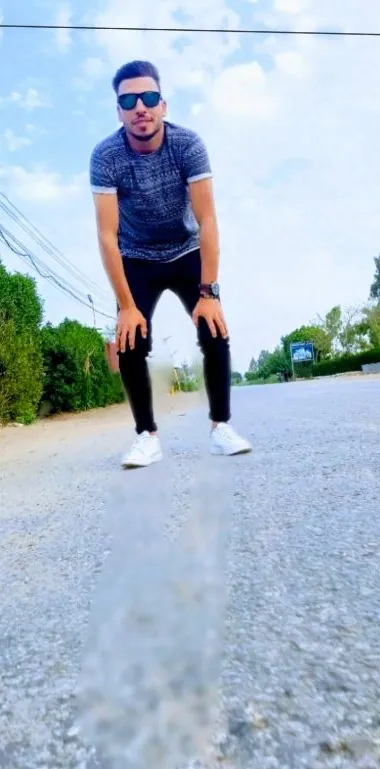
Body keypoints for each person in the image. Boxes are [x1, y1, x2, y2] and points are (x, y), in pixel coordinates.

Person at [90, 60, 252, 468]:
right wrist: (126, 306)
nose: (139, 107)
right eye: (129, 100)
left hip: (186, 250)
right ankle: (146, 436)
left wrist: (209, 292)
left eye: (147, 97)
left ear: (162, 104)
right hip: (136, 257)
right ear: (119, 110)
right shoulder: (106, 155)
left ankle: (221, 428)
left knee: (213, 328)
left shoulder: (188, 145)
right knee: (130, 341)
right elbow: (107, 236)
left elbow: (208, 220)